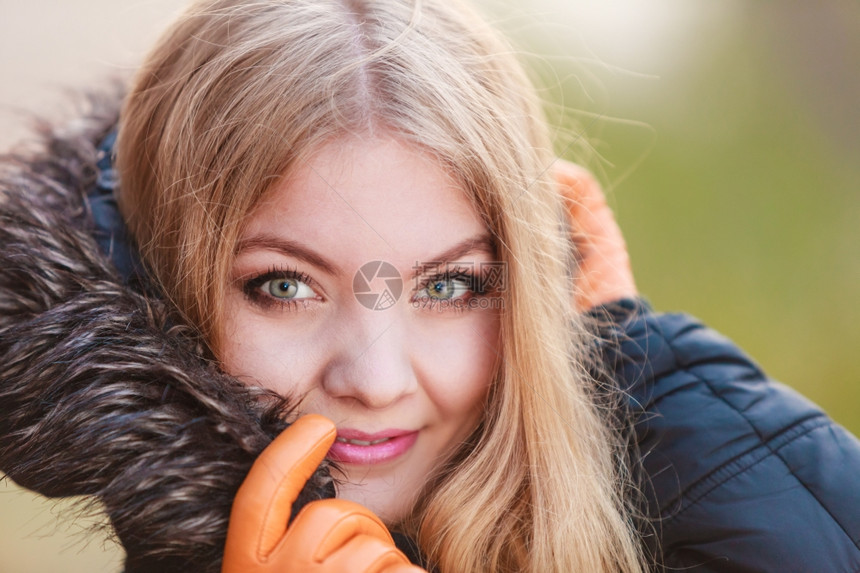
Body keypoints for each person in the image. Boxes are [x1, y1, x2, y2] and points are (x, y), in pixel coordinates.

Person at [0, 1, 858, 572]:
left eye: (449, 287)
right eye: (285, 287)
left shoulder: (659, 445)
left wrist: (639, 374)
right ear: (159, 294)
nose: (375, 380)